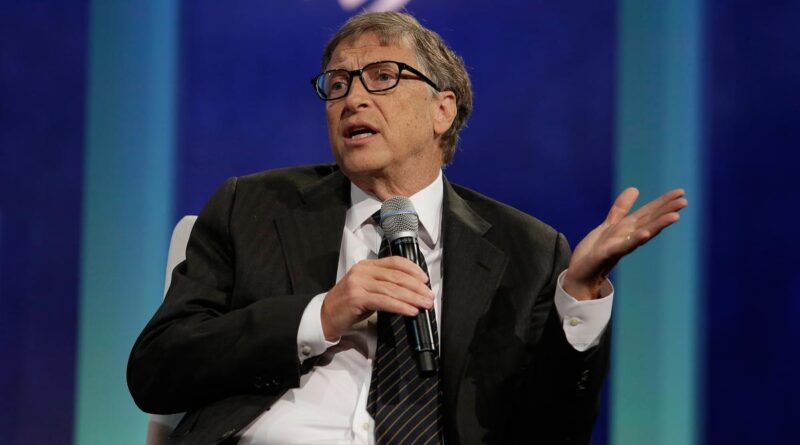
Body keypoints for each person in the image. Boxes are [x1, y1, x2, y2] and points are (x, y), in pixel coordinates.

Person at [127, 11, 687, 445]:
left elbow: (553, 431)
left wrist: (580, 294)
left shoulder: (528, 250)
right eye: (338, 83)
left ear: (443, 110)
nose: (353, 99)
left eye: (382, 77)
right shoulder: (252, 207)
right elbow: (156, 370)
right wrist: (320, 315)